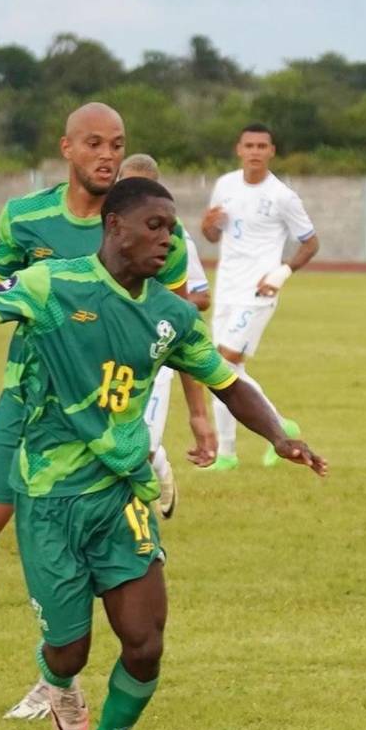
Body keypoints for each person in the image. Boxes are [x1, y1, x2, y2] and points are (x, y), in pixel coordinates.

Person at [0, 177, 327, 730]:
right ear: (114, 227)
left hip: (121, 492)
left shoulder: (171, 314)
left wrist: (281, 436)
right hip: (50, 498)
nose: (168, 239)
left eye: (172, 227)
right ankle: (58, 679)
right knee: (69, 648)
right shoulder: (53, 284)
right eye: (154, 226)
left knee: (145, 639)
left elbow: (227, 383)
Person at [0, 103, 213, 722]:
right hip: (26, 399)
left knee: (73, 559)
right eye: (95, 143)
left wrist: (199, 416)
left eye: (118, 144)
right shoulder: (26, 217)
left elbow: (178, 332)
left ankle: (52, 683)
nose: (108, 154)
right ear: (67, 149)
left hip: (101, 415)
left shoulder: (150, 227)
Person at [201, 122, 319, 471]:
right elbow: (211, 235)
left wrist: (281, 274)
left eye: (261, 146)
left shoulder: (282, 195)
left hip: (258, 291)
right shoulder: (224, 185)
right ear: (239, 149)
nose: (254, 151)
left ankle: (274, 431)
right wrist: (207, 224)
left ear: (271, 152)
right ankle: (227, 454)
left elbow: (311, 242)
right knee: (217, 370)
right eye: (249, 145)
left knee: (222, 365)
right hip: (226, 289)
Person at [119, 153, 214, 519]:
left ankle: (154, 463)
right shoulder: (103, 228)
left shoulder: (174, 239)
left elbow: (196, 301)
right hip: (106, 353)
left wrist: (198, 414)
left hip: (155, 357)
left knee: (137, 447)